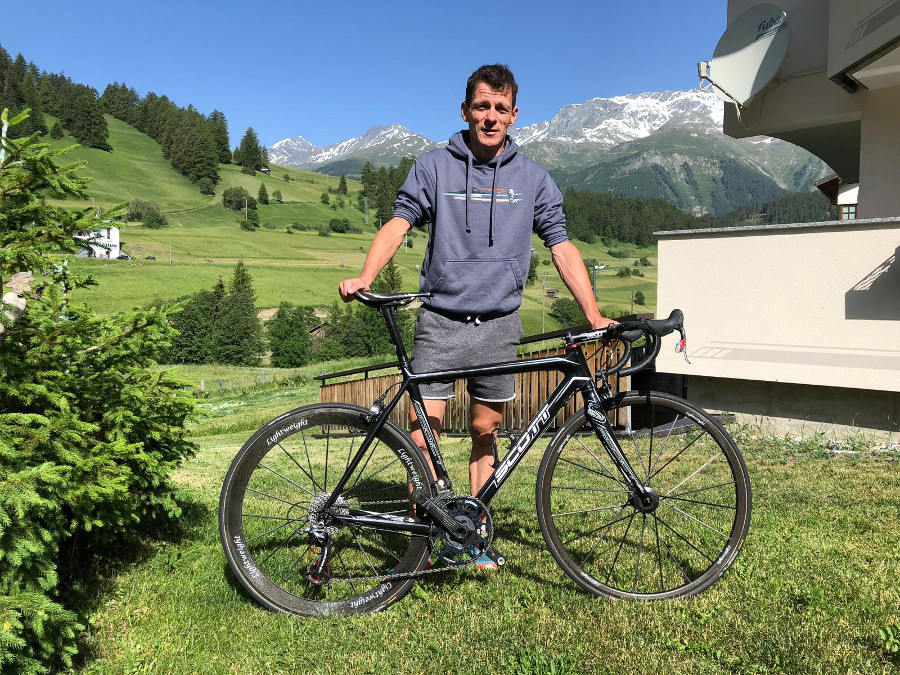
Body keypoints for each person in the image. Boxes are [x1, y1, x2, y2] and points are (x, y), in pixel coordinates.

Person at [339, 64, 614, 568]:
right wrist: (366, 275)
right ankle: (424, 542)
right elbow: (399, 222)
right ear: (465, 111)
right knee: (423, 434)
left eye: (500, 108)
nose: (490, 117)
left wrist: (593, 314)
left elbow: (561, 245)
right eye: (482, 106)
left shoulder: (532, 178)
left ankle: (472, 538)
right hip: (440, 320)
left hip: (499, 326)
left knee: (485, 429)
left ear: (514, 115)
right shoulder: (434, 167)